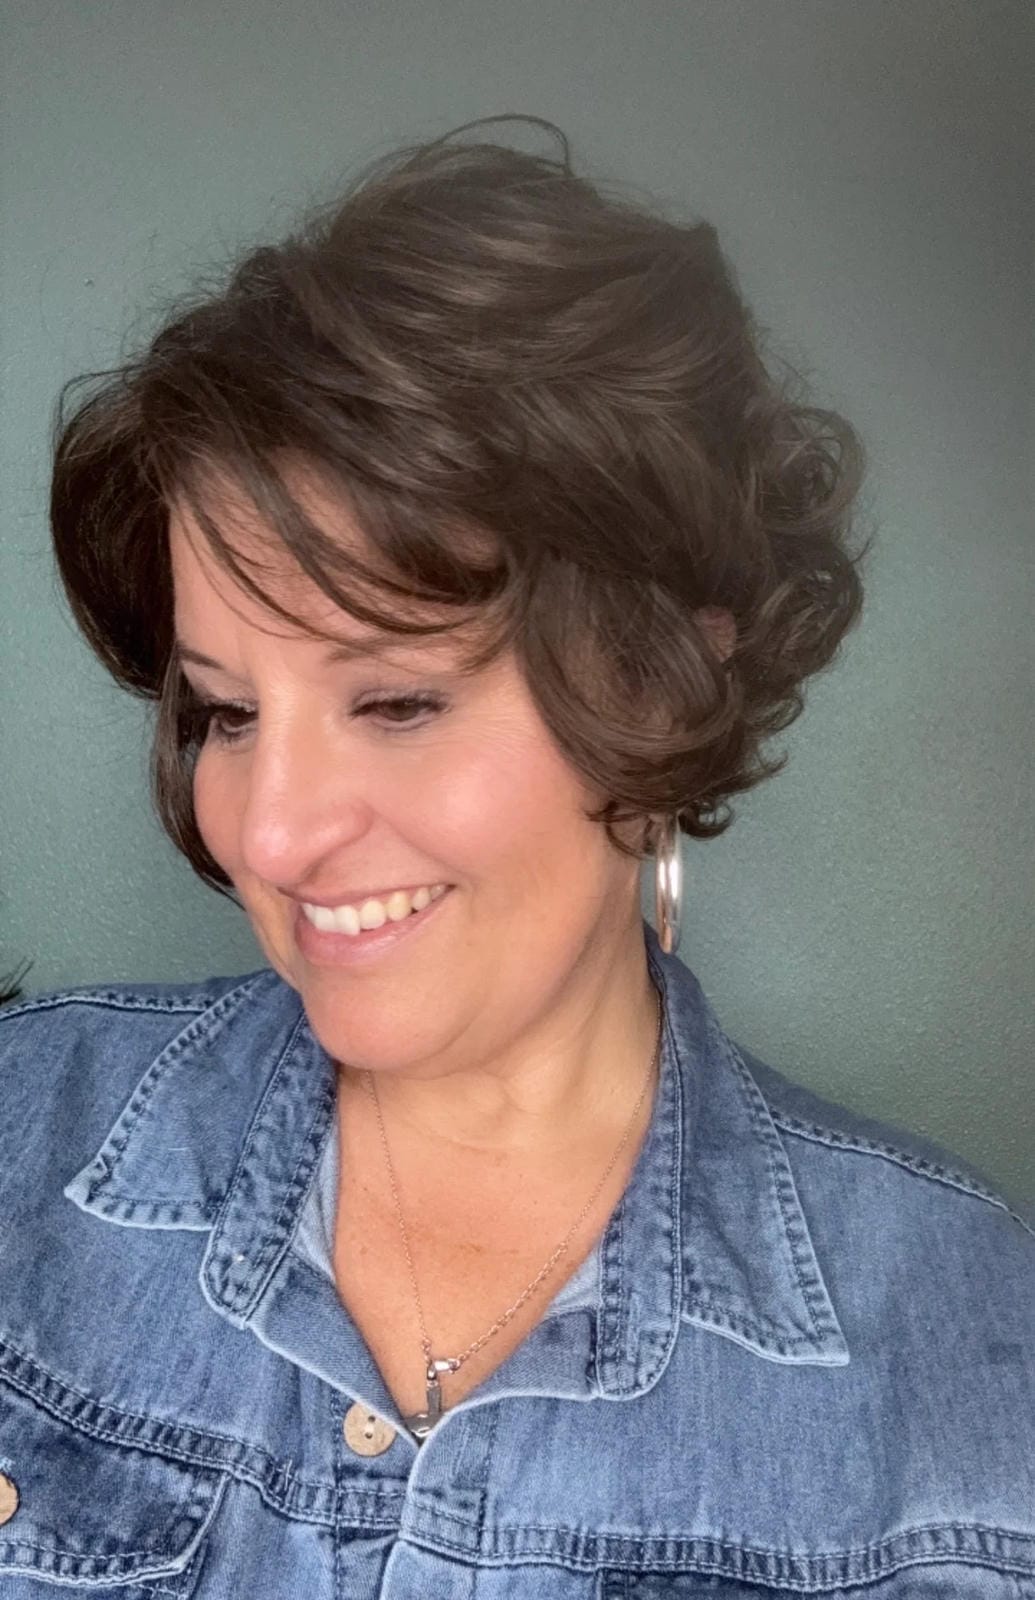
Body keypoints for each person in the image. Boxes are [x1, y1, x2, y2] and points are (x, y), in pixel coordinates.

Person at [0, 115, 1031, 1599]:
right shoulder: (24, 1138)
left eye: (397, 702)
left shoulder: (970, 1360)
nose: (270, 834)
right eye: (225, 714)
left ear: (663, 685)